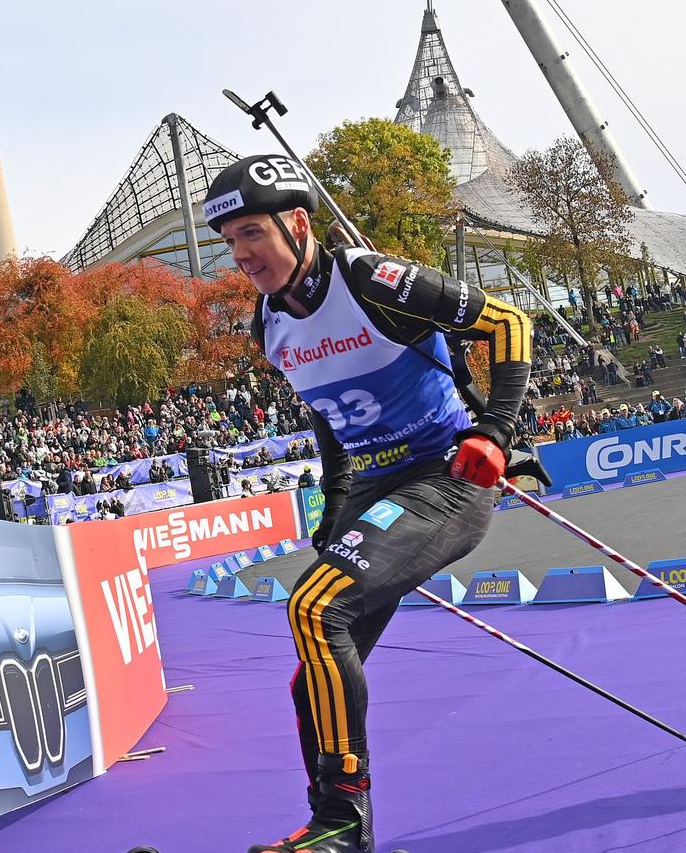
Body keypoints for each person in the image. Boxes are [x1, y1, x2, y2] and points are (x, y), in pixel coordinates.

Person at [203, 154, 533, 853]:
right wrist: (334, 508)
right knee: (308, 685)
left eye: (253, 233)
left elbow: (508, 323)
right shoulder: (269, 323)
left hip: (446, 478)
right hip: (376, 492)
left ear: (297, 224)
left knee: (314, 610)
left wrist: (497, 435)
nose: (242, 255)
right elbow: (329, 418)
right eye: (230, 242)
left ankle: (341, 826)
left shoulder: (371, 279)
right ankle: (337, 833)